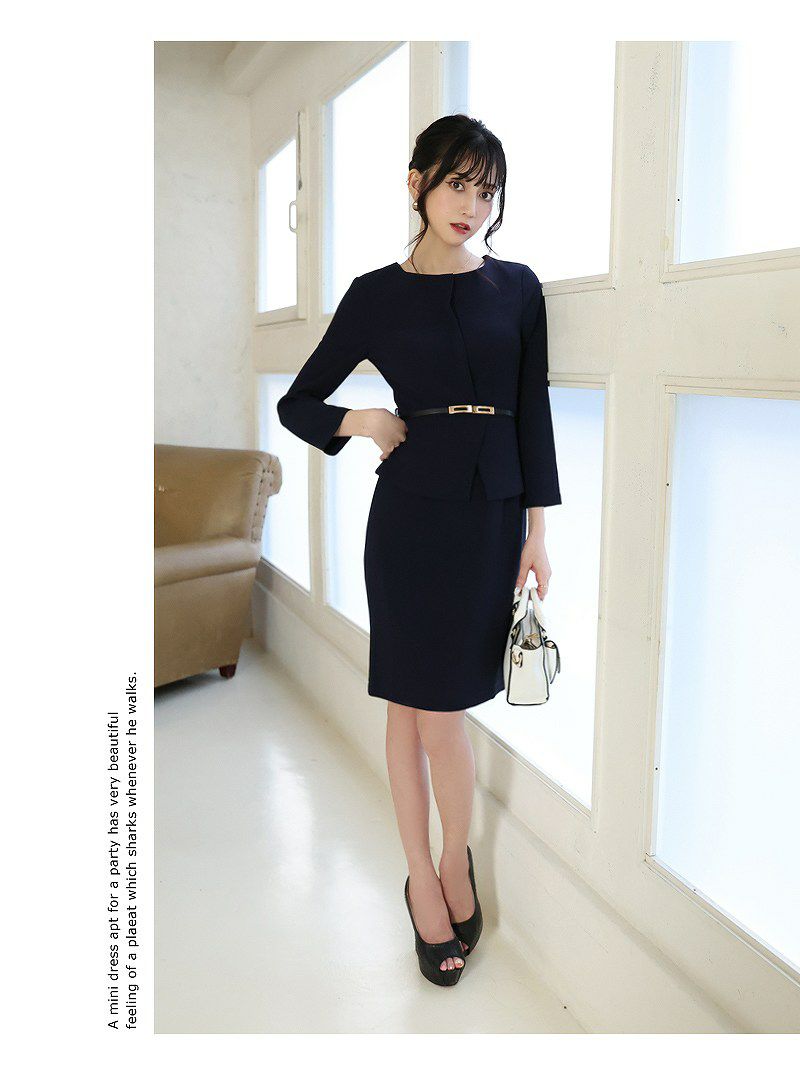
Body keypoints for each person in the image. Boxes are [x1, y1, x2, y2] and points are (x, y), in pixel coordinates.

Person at [277, 114, 562, 986]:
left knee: (436, 712)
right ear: (417, 185)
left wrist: (538, 530)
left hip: (491, 517)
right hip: (408, 520)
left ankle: (452, 859)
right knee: (413, 710)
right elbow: (297, 402)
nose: (472, 205)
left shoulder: (518, 288)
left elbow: (534, 408)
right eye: (457, 184)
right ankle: (425, 877)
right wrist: (360, 419)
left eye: (487, 190)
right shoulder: (375, 295)